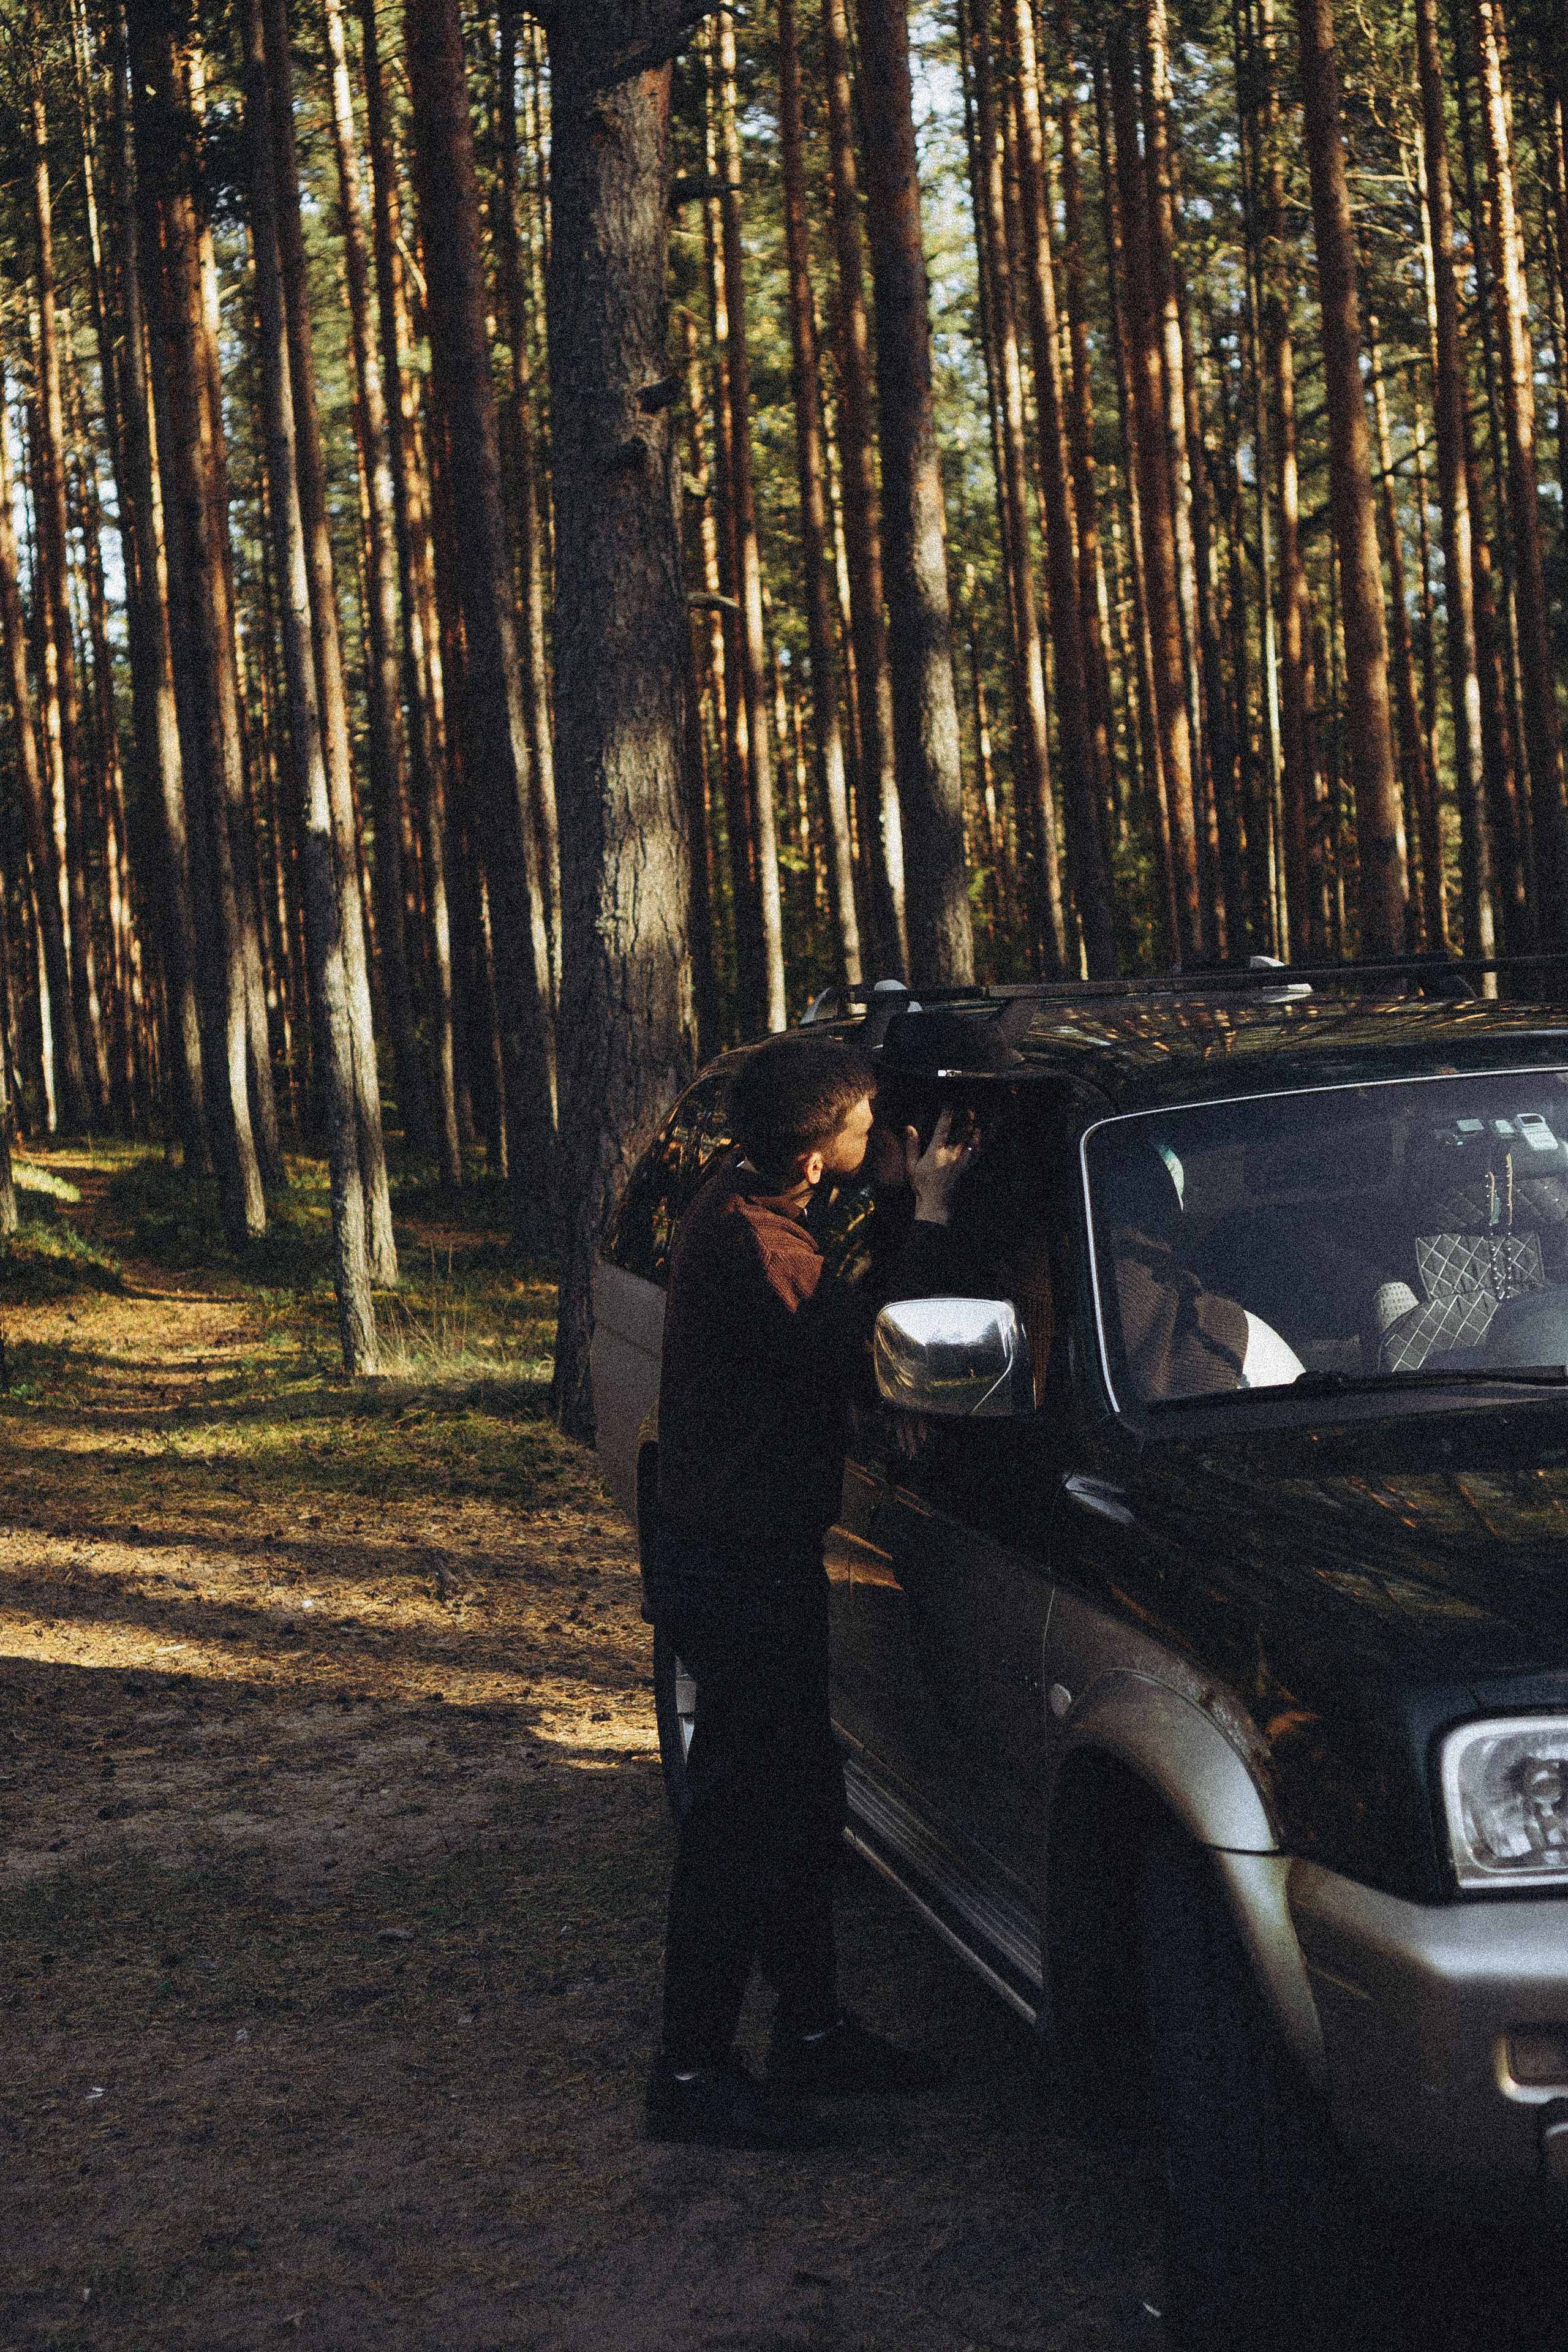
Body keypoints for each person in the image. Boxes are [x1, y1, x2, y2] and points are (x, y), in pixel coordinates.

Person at [644, 1032, 968, 2149]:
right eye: (867, 1121)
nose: (884, 1132)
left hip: (734, 1553)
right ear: (819, 1151)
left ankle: (814, 2032)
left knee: (798, 1800)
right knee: (739, 1821)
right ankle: (688, 2076)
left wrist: (884, 1198)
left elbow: (818, 1330)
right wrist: (928, 1213)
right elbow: (876, 1346)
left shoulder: (753, 1207)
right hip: (735, 1568)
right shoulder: (758, 1245)